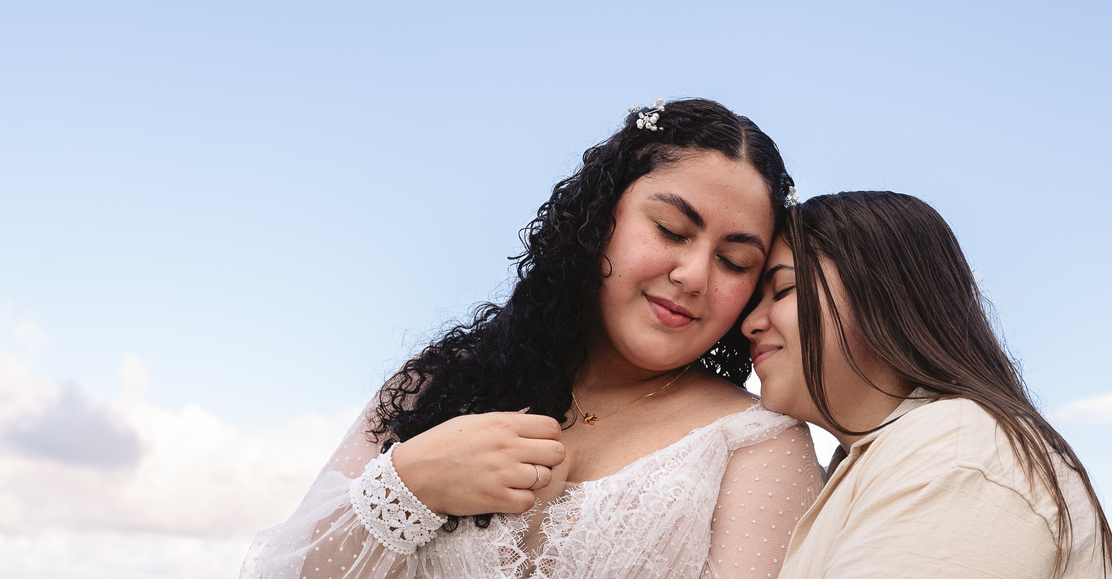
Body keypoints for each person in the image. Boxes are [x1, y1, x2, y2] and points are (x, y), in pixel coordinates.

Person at [241, 98, 823, 579]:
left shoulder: (757, 443)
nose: (694, 275)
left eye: (734, 260)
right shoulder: (435, 381)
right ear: (599, 217)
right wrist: (412, 484)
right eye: (671, 230)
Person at [742, 190, 1112, 578]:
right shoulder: (899, 458)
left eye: (783, 289)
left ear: (880, 292)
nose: (750, 322)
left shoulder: (957, 458)